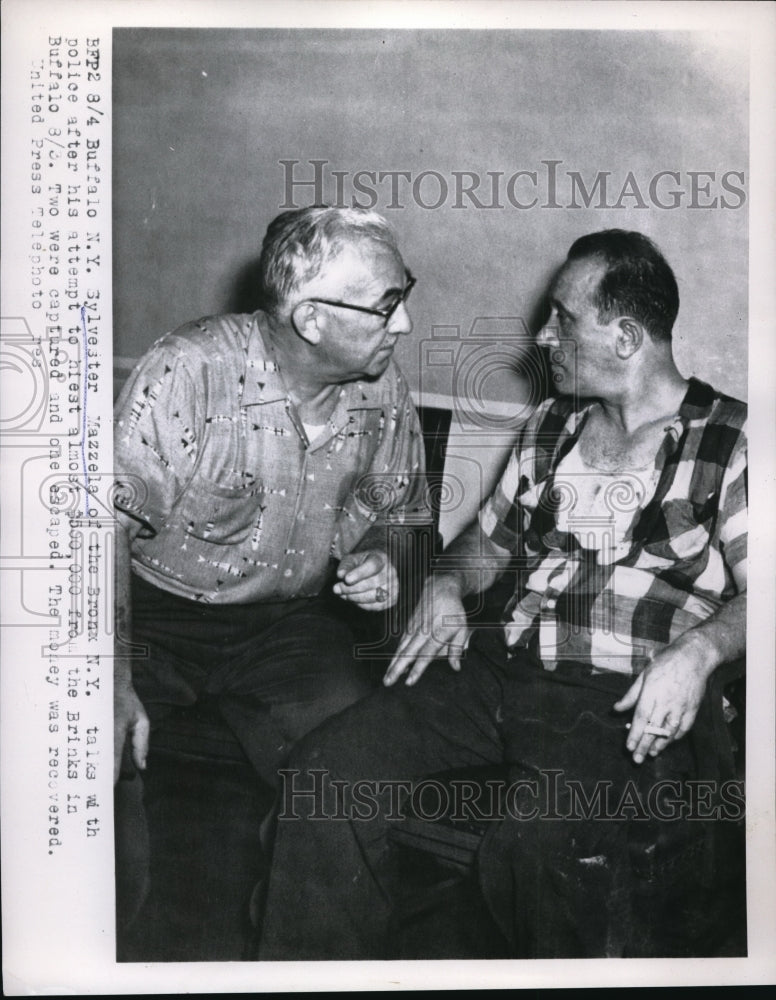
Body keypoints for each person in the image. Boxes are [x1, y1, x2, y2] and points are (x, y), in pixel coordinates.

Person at [257, 230, 747, 960]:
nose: (543, 336)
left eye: (563, 318)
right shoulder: (551, 428)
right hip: (501, 673)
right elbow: (486, 544)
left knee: (539, 843)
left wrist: (699, 653)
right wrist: (450, 586)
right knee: (320, 783)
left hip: (618, 702)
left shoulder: (736, 443)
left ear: (626, 336)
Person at [112, 207, 431, 928]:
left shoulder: (381, 388)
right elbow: (100, 524)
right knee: (109, 780)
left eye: (402, 293)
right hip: (152, 614)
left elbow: (405, 514)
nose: (405, 323)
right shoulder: (191, 369)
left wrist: (385, 554)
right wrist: (109, 676)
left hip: (287, 630)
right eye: (388, 304)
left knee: (355, 765)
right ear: (312, 319)